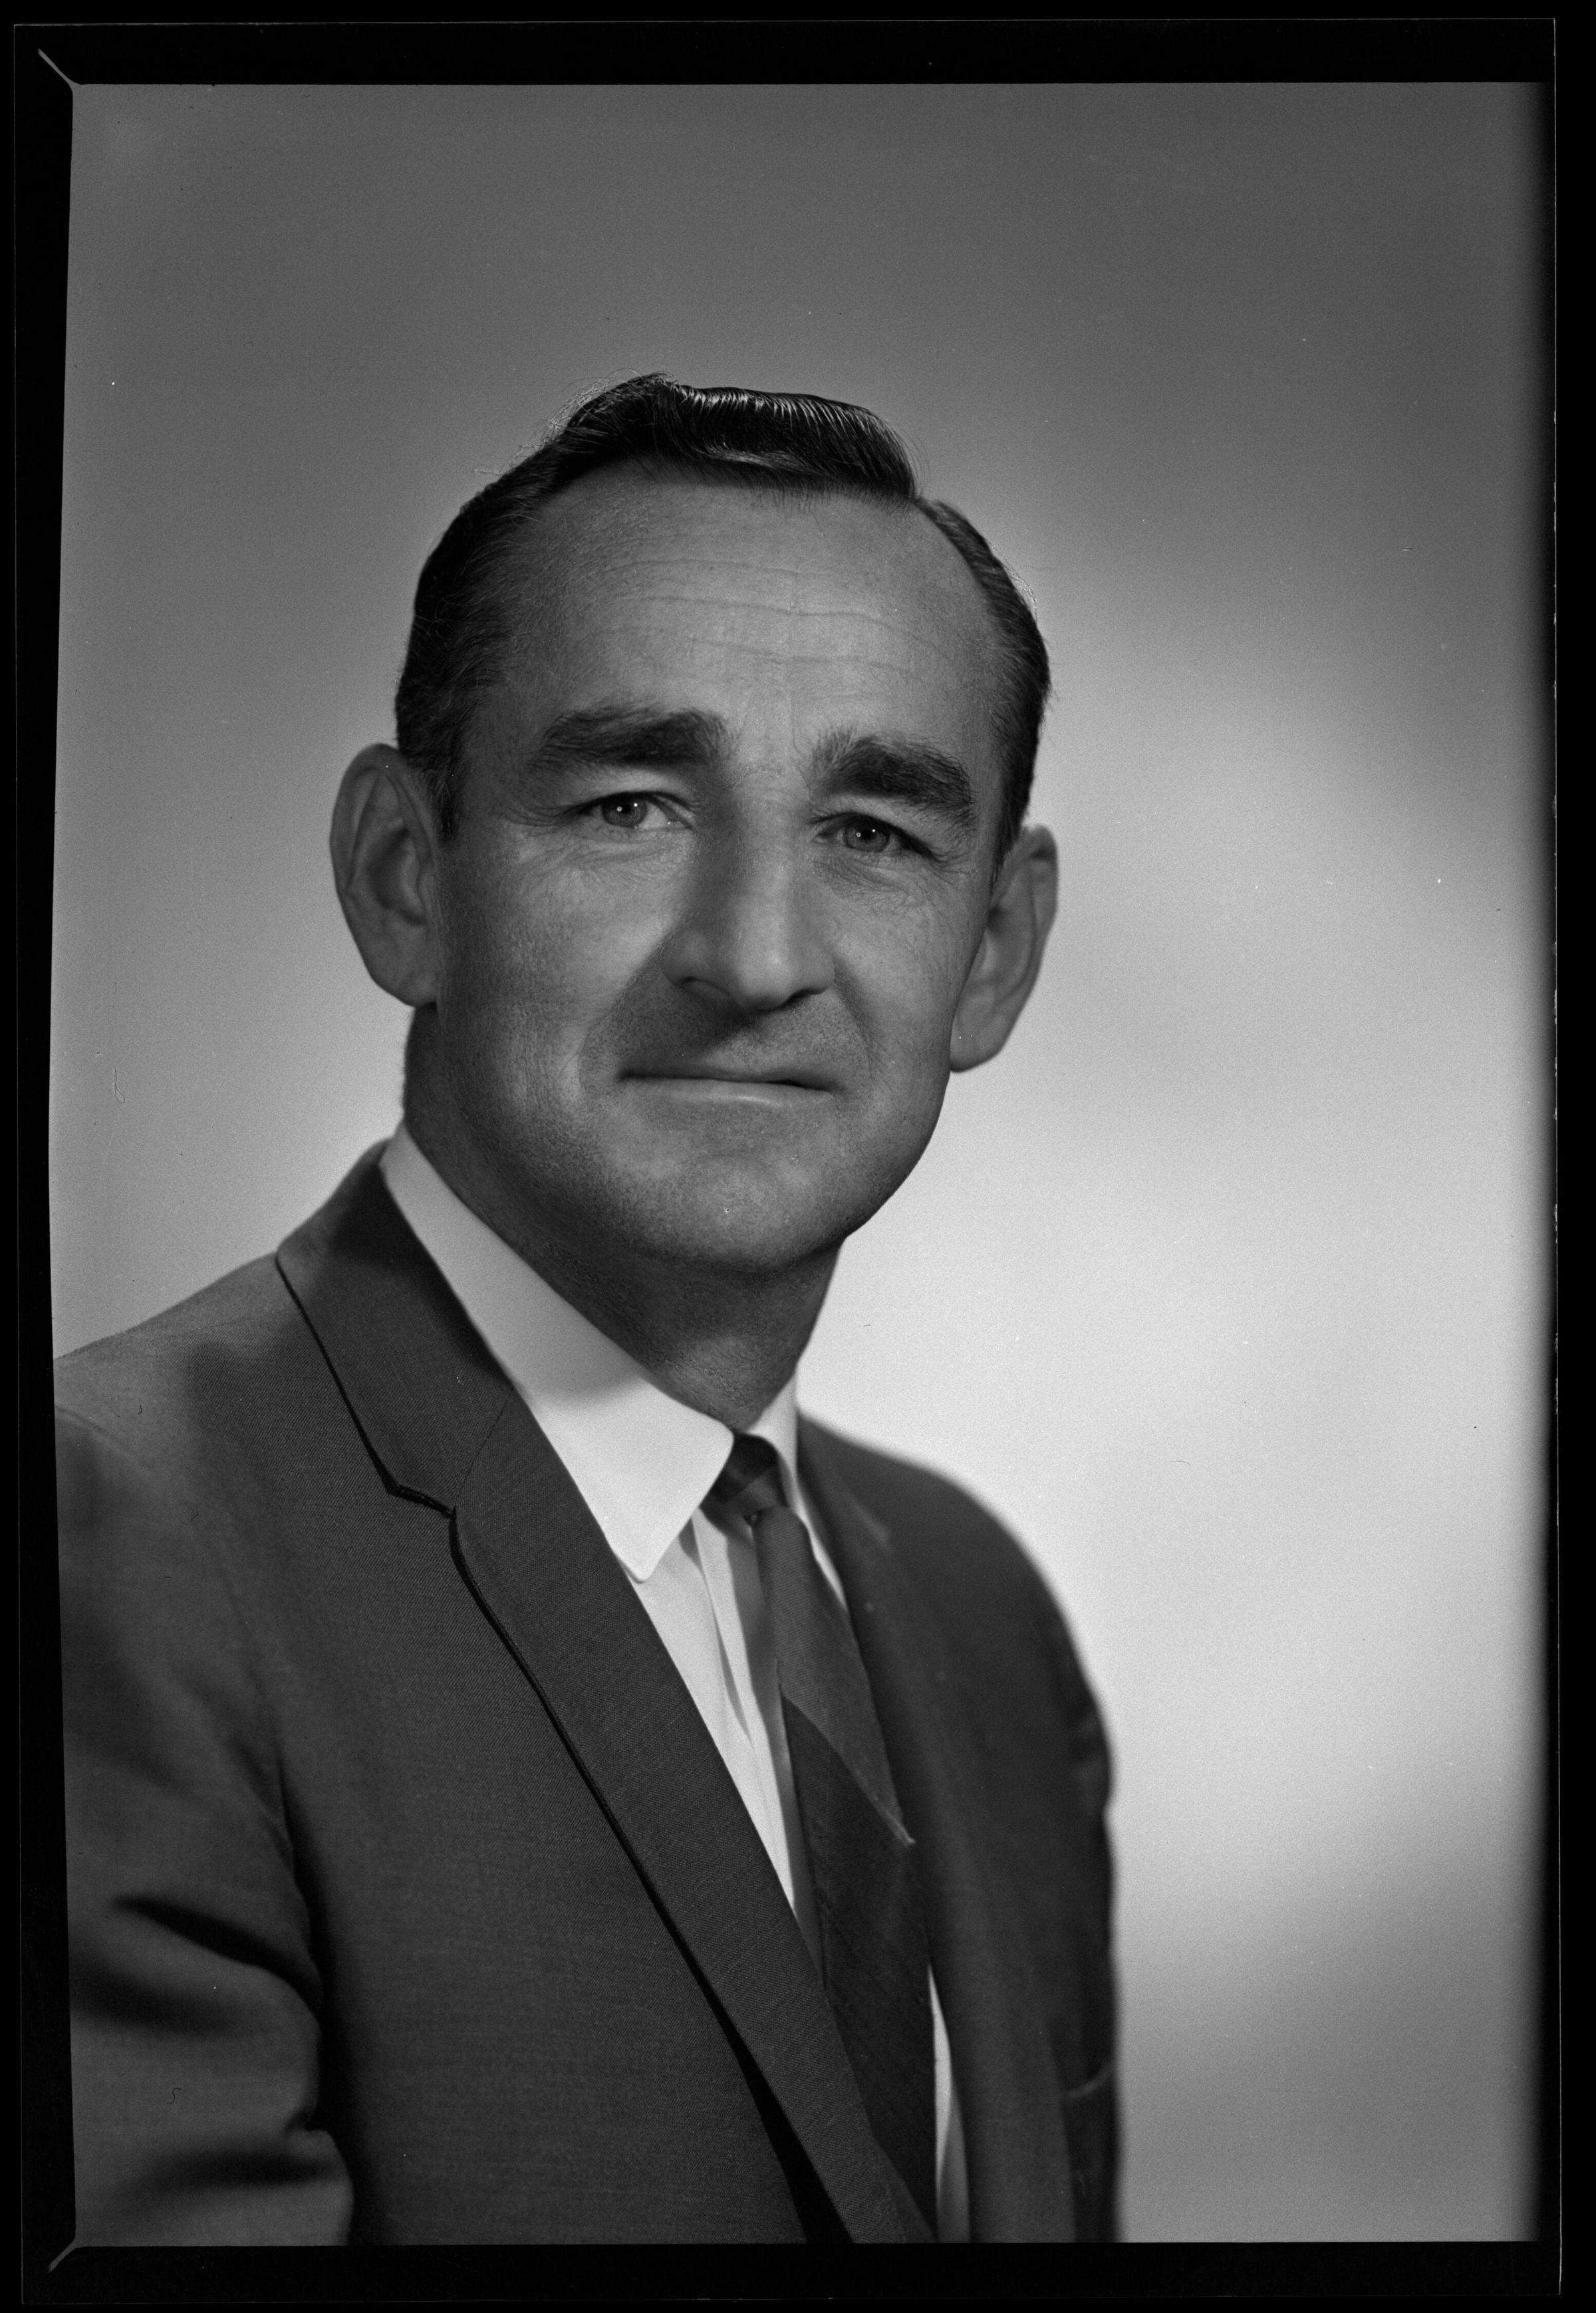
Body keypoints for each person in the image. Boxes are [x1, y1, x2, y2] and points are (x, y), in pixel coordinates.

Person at [54, 375, 1117, 2246]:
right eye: (631, 805)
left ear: (997, 953)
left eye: (875, 830)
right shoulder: (111, 1545)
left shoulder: (983, 1615)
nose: (757, 957)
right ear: (404, 879)